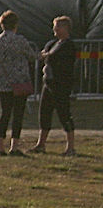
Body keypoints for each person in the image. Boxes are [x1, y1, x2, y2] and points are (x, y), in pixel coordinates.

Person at [0, 10, 37, 156]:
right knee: (18, 114)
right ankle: (14, 146)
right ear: (15, 24)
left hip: (2, 81)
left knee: (4, 113)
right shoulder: (20, 40)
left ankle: (0, 146)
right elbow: (31, 56)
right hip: (19, 82)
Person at [31, 16, 78, 156]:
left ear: (65, 28)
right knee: (44, 113)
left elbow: (52, 57)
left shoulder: (69, 45)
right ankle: (41, 144)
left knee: (64, 114)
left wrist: (47, 56)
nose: (54, 30)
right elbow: (45, 53)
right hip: (49, 83)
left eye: (57, 27)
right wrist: (46, 55)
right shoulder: (53, 43)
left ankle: (70, 147)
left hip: (61, 86)